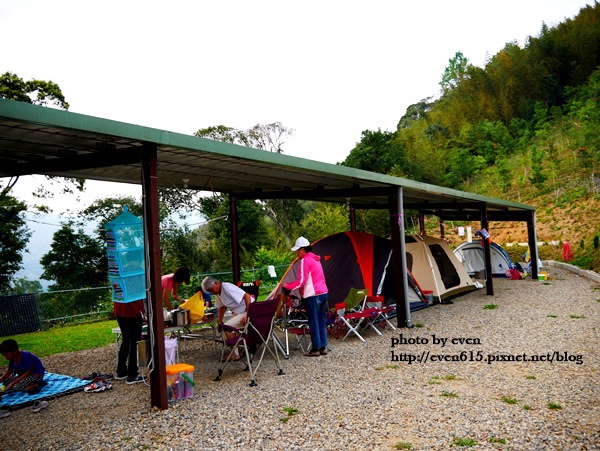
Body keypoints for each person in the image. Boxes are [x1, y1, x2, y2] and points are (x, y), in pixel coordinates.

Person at [284, 236, 329, 357]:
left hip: (313, 295)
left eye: (298, 250)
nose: (297, 253)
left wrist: (287, 286)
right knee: (321, 320)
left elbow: (301, 281)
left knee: (313, 321)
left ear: (303, 249)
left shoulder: (305, 261)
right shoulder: (316, 259)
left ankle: (315, 349)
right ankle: (323, 346)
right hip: (323, 292)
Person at [201, 276, 251, 361]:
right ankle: (238, 351)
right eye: (209, 291)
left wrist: (248, 315)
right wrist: (220, 322)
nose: (212, 292)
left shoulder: (227, 287)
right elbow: (221, 307)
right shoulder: (218, 293)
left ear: (216, 283)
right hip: (240, 313)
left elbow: (247, 296)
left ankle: (235, 354)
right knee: (227, 326)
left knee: (227, 327)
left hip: (247, 311)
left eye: (211, 290)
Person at [114, 299, 146, 384]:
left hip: (119, 308)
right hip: (132, 310)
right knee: (134, 341)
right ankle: (132, 374)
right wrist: (144, 311)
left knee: (126, 339)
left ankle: (121, 371)